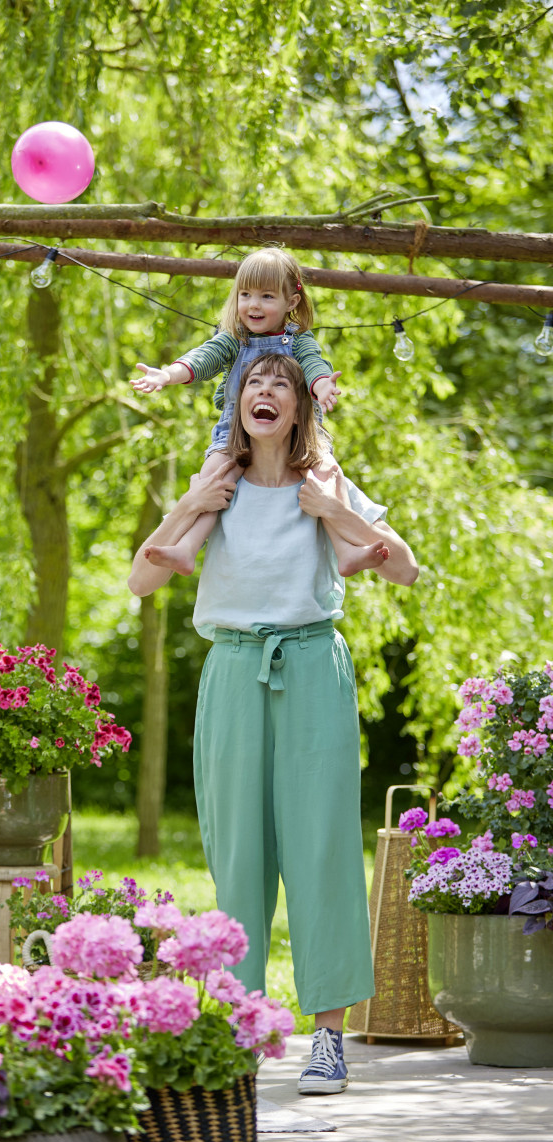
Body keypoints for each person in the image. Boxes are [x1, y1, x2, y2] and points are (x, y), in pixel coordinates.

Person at [128, 353, 419, 1095]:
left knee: (321, 850)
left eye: (279, 384)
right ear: (235, 402)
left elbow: (406, 568)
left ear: (298, 409)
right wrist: (189, 503)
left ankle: (327, 1039)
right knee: (238, 855)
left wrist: (336, 513)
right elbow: (143, 579)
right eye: (252, 383)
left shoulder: (324, 482)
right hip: (232, 671)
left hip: (313, 667)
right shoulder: (216, 486)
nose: (264, 391)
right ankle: (240, 1030)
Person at [130, 247, 387, 579]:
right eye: (245, 294)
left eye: (266, 296)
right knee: (212, 480)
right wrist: (168, 374)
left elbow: (313, 365)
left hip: (300, 435)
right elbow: (203, 358)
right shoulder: (234, 340)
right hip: (234, 433)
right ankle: (187, 547)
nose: (253, 304)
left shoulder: (299, 341)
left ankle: (347, 550)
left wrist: (322, 386)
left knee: (327, 476)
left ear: (291, 302)